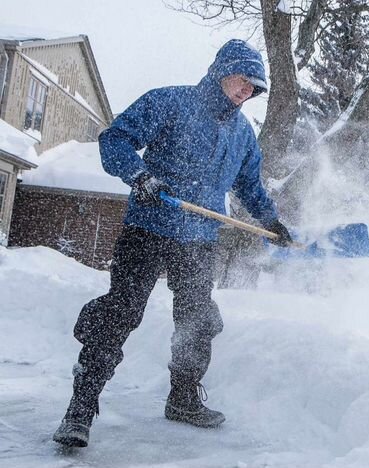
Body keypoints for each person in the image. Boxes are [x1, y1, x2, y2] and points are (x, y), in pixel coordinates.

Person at [53, 40, 292, 448]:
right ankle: (80, 409)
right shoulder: (171, 102)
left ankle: (182, 399)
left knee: (198, 321)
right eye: (242, 81)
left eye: (254, 88)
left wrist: (271, 220)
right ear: (222, 71)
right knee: (121, 311)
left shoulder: (242, 134)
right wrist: (140, 175)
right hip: (150, 227)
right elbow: (116, 139)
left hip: (199, 239)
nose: (245, 92)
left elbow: (249, 185)